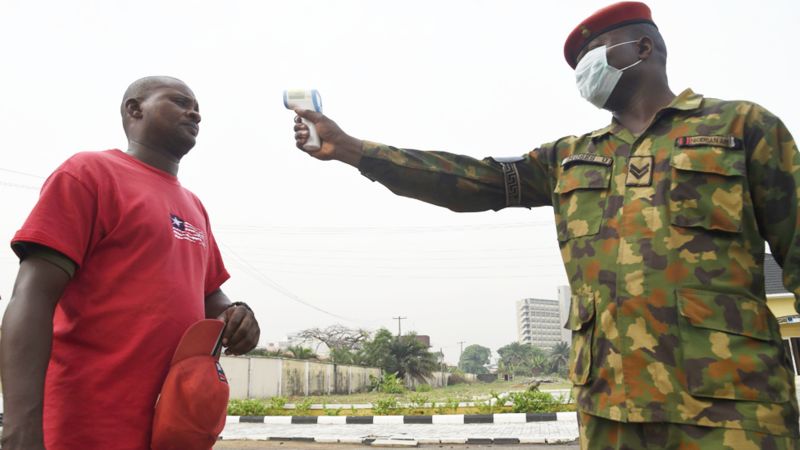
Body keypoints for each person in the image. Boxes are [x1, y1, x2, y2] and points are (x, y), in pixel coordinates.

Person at [292, 2, 800, 448]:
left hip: (735, 406)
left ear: (642, 47)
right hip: (610, 411)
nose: (584, 72)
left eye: (593, 54)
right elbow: (474, 180)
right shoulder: (570, 158)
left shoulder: (740, 128)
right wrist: (353, 150)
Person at [0, 76, 261, 450]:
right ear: (134, 109)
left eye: (198, 107)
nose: (195, 113)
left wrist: (239, 317)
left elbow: (211, 298)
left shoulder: (194, 206)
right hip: (86, 427)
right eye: (180, 101)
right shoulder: (88, 174)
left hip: (172, 430)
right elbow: (31, 298)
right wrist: (20, 428)